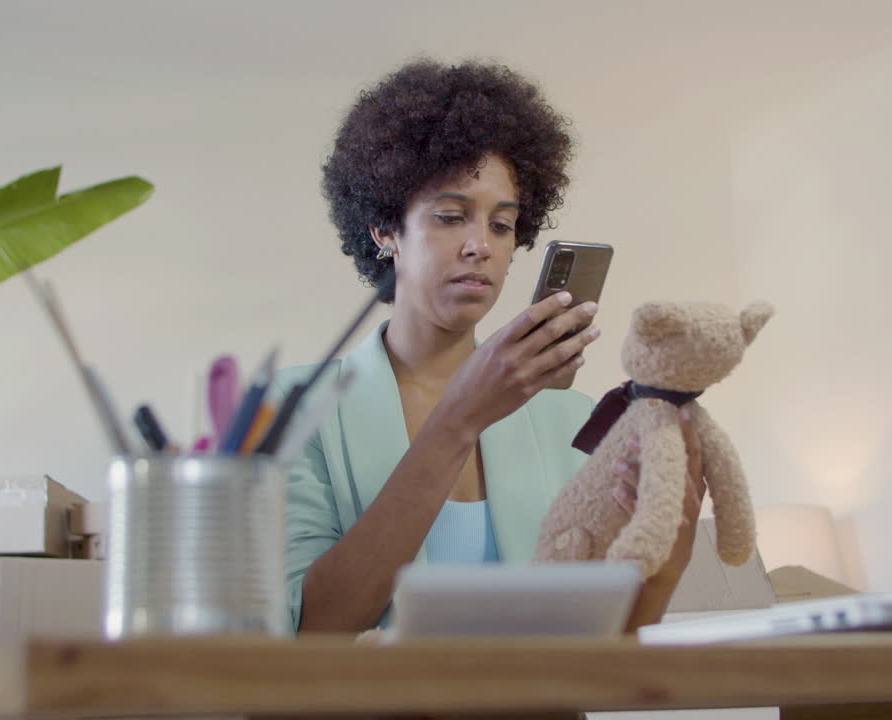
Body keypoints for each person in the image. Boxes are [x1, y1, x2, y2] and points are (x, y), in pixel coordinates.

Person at [274, 59, 704, 634]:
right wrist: (458, 420)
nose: (481, 245)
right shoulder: (295, 409)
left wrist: (674, 533)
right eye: (451, 217)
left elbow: (609, 638)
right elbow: (315, 628)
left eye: (502, 225)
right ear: (384, 231)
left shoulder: (571, 420)